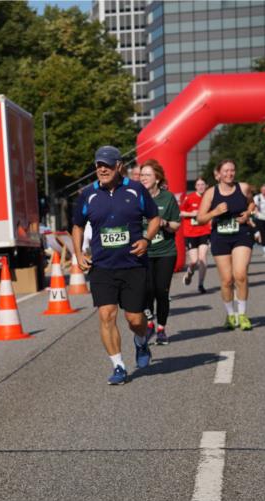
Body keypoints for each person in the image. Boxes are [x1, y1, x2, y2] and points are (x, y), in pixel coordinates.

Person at [71, 145, 162, 385]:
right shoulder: (87, 194)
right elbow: (78, 225)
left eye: (108, 165)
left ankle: (141, 341)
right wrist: (79, 253)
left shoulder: (136, 190)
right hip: (102, 266)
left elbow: (155, 217)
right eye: (99, 165)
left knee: (134, 319)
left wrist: (146, 239)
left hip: (133, 264)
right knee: (106, 314)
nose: (102, 169)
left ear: (119, 166)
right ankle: (118, 366)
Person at [197, 159, 256, 330]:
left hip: (241, 235)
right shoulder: (211, 193)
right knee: (227, 280)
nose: (229, 173)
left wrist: (248, 213)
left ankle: (243, 315)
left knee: (240, 274)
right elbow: (200, 219)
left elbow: (251, 202)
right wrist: (215, 212)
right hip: (220, 237)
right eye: (226, 171)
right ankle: (231, 315)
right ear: (218, 174)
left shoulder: (243, 187)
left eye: (232, 170)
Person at [138, 160, 181, 345]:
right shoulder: (135, 198)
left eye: (147, 175)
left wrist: (164, 223)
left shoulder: (167, 198)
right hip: (143, 252)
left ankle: (162, 329)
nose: (143, 178)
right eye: (142, 175)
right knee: (146, 290)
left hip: (165, 251)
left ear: (157, 179)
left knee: (161, 291)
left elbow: (176, 225)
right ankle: (149, 324)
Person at [180, 177, 210, 293]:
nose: (201, 187)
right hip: (190, 233)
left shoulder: (209, 198)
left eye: (203, 184)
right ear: (195, 186)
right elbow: (180, 212)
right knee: (194, 260)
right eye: (198, 185)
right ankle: (189, 272)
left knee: (202, 258)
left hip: (204, 231)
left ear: (206, 186)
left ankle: (201, 285)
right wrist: (191, 213)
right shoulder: (189, 197)